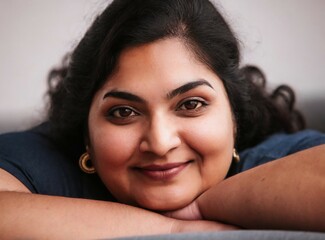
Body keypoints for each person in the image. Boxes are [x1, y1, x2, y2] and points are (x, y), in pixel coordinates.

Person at [0, 0, 324, 238]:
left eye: (191, 104)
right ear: (86, 133)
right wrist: (175, 228)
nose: (160, 143)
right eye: (124, 112)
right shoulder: (46, 161)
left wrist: (205, 206)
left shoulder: (270, 159)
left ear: (234, 116)